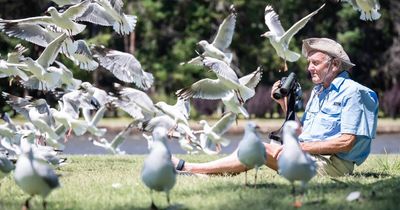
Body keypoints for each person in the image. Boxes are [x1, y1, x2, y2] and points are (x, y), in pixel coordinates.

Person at [173, 37, 379, 177]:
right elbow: (303, 131)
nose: (309, 68)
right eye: (309, 63)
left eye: (315, 63)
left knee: (259, 148)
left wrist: (299, 147)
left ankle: (190, 168)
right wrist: (285, 104)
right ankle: (195, 169)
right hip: (309, 155)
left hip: (333, 164)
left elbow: (346, 142)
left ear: (334, 65)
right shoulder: (319, 91)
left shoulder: (355, 92)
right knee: (256, 145)